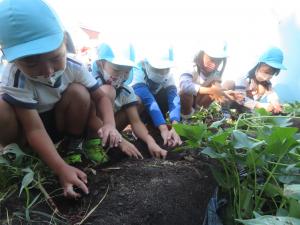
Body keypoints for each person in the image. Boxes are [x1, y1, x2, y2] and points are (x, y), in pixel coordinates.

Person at [0, 0, 122, 198]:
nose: (47, 71)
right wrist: (60, 168)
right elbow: (34, 128)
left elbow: (101, 97)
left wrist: (110, 124)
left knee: (79, 92)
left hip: (59, 121)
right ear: (10, 58)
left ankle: (73, 145)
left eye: (56, 58)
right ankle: (21, 157)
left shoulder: (74, 67)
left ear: (65, 42)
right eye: (31, 63)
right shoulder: (14, 78)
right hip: (31, 129)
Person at [91, 41, 168, 159]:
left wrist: (150, 142)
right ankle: (92, 144)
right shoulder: (90, 82)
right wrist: (121, 142)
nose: (122, 75)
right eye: (117, 70)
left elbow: (136, 121)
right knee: (108, 91)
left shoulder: (126, 91)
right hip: (86, 129)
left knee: (136, 100)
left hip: (110, 129)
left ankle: (108, 142)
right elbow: (89, 118)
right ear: (101, 64)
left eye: (127, 71)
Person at [130, 45, 182, 147]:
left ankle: (153, 126)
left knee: (167, 94)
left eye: (166, 69)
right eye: (158, 69)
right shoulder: (137, 71)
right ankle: (140, 126)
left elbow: (174, 99)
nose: (162, 73)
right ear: (146, 64)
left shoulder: (169, 75)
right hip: (141, 108)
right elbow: (148, 100)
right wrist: (163, 128)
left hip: (156, 108)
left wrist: (176, 127)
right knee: (139, 100)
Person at [223, 47, 286, 113]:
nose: (267, 76)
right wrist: (259, 105)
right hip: (233, 102)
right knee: (229, 84)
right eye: (266, 72)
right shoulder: (243, 77)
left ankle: (244, 113)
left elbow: (272, 94)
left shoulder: (266, 83)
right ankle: (225, 112)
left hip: (245, 107)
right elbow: (239, 98)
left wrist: (275, 103)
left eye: (272, 74)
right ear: (258, 65)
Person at [179, 40, 228, 119]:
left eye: (218, 61)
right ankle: (186, 118)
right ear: (202, 54)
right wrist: (210, 90)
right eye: (211, 59)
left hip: (199, 104)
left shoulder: (216, 74)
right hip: (185, 104)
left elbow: (218, 89)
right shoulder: (190, 66)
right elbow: (184, 85)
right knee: (185, 92)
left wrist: (226, 93)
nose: (214, 65)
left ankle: (198, 116)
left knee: (216, 88)